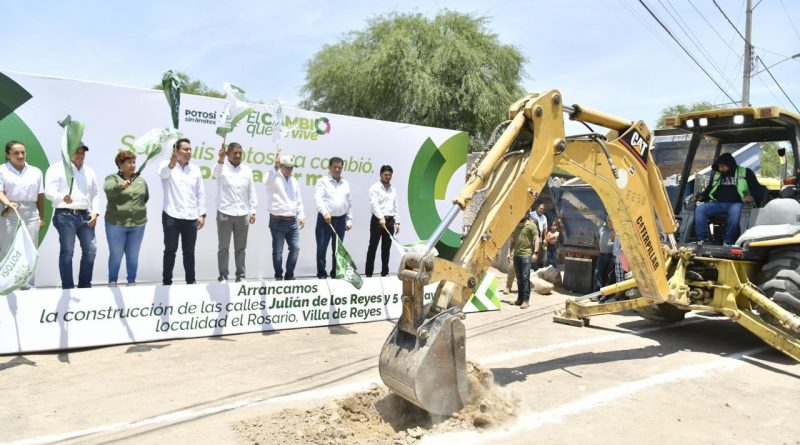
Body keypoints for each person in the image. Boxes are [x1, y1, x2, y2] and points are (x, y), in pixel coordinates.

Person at [45, 142, 100, 289]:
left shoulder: (90, 171)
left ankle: (84, 286)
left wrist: (95, 212)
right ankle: (68, 287)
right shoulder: (56, 168)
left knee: (91, 250)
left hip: (86, 215)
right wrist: (62, 197)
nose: (80, 154)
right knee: (67, 251)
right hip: (65, 215)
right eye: (77, 151)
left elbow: (95, 194)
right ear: (68, 152)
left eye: (83, 152)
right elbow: (49, 192)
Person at [159, 138, 206, 285]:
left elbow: (200, 193)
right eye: (185, 149)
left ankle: (191, 282)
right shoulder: (166, 166)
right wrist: (172, 163)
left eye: (190, 149)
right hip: (172, 215)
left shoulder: (195, 169)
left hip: (191, 217)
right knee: (170, 250)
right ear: (176, 151)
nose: (189, 152)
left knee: (189, 252)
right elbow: (163, 174)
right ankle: (167, 282)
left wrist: (201, 214)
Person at [0, 141, 44, 289]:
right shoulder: (2, 170)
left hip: (31, 212)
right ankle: (6, 285)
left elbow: (39, 196)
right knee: (8, 249)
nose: (20, 155)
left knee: (30, 249)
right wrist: (8, 203)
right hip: (9, 211)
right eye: (16, 153)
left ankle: (28, 285)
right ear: (8, 155)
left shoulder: (36, 171)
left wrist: (42, 217)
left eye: (22, 152)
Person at [694, 153, 762, 246]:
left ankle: (728, 241)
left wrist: (752, 197)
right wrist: (701, 197)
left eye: (722, 166)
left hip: (737, 203)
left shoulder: (746, 172)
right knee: (700, 209)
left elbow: (756, 188)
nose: (720, 169)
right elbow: (709, 189)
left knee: (736, 209)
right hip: (718, 204)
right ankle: (703, 240)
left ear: (729, 164)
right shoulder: (717, 174)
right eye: (719, 167)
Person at [103, 151, 148, 286]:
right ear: (120, 165)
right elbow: (108, 190)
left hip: (138, 224)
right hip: (116, 224)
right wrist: (119, 186)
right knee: (116, 255)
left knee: (133, 256)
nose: (133, 165)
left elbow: (145, 198)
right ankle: (112, 282)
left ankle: (132, 282)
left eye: (134, 162)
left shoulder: (141, 180)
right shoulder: (112, 178)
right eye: (129, 162)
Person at [214, 142, 257, 283]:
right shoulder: (221, 168)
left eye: (240, 153)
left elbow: (252, 191)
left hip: (243, 214)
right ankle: (223, 275)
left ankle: (241, 276)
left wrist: (253, 211)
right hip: (225, 213)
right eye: (235, 153)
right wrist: (220, 160)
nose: (238, 155)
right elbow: (215, 174)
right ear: (227, 154)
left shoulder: (247, 170)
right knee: (223, 247)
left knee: (241, 248)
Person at [265, 153, 304, 280]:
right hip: (277, 221)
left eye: (292, 167)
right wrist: (275, 168)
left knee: (296, 248)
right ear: (281, 166)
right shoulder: (274, 177)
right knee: (278, 251)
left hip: (292, 221)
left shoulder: (294, 181)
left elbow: (298, 199)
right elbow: (266, 181)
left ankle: (289, 275)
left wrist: (301, 215)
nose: (290, 169)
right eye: (287, 167)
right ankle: (278, 275)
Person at [314, 156, 353, 279]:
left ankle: (335, 273)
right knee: (322, 248)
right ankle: (321, 274)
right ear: (329, 167)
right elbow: (318, 199)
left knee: (338, 249)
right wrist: (325, 212)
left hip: (341, 220)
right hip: (325, 220)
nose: (337, 169)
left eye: (339, 167)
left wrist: (349, 219)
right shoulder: (323, 181)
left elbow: (349, 202)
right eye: (334, 167)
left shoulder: (345, 183)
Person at [365, 165, 399, 278]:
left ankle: (385, 272)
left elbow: (396, 206)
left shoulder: (393, 189)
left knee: (386, 248)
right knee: (373, 247)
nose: (388, 177)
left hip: (390, 221)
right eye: (385, 175)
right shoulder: (374, 188)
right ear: (380, 174)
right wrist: (380, 217)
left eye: (390, 175)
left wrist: (397, 222)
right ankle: (369, 273)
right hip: (377, 221)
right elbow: (374, 204)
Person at [508, 215, 539, 309]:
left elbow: (536, 239)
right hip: (517, 255)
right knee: (519, 278)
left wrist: (536, 253)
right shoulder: (516, 225)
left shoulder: (531, 225)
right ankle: (519, 299)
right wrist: (509, 253)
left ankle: (526, 300)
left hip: (526, 255)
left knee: (525, 277)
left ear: (526, 214)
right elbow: (512, 240)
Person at [593, 215, 616, 292]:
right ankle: (596, 294)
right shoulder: (602, 227)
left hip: (612, 256)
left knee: (610, 276)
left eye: (610, 218)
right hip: (602, 255)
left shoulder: (616, 229)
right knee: (598, 273)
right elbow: (598, 237)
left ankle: (606, 294)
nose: (609, 219)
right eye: (608, 217)